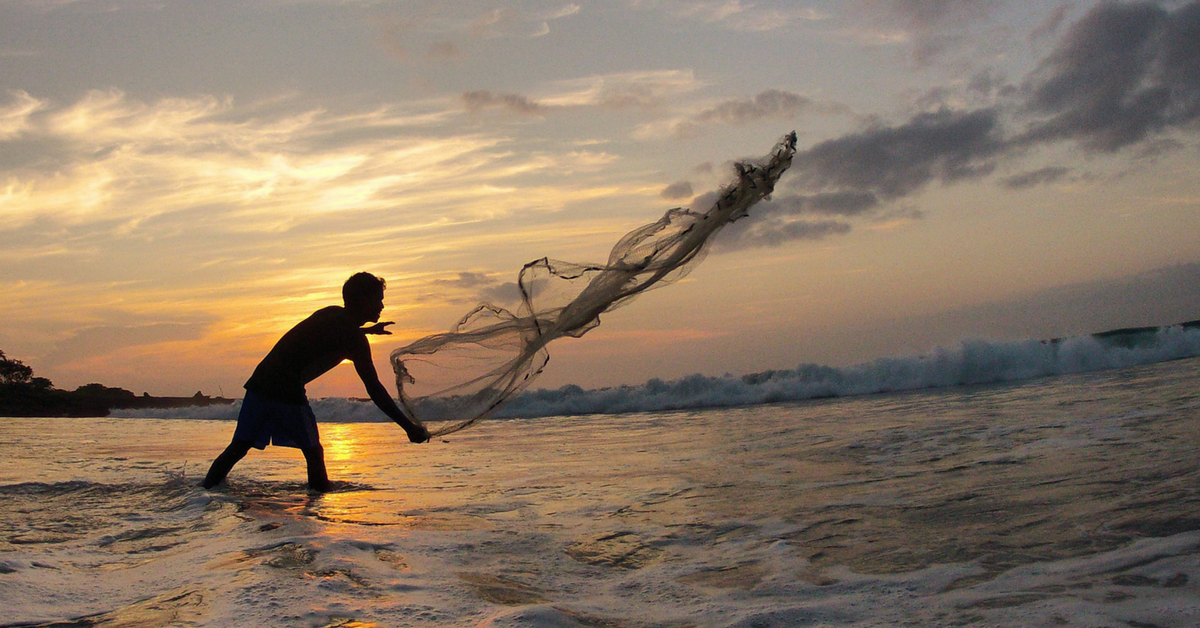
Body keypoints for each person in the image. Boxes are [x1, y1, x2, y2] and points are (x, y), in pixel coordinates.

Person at [202, 272, 429, 492]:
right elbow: (374, 389)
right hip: (286, 392)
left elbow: (332, 331)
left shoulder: (330, 313)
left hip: (259, 383)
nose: (382, 306)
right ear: (362, 300)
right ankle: (318, 504)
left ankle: (204, 491)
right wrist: (408, 427)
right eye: (378, 300)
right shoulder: (354, 340)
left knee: (239, 447)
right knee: (313, 452)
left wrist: (367, 330)